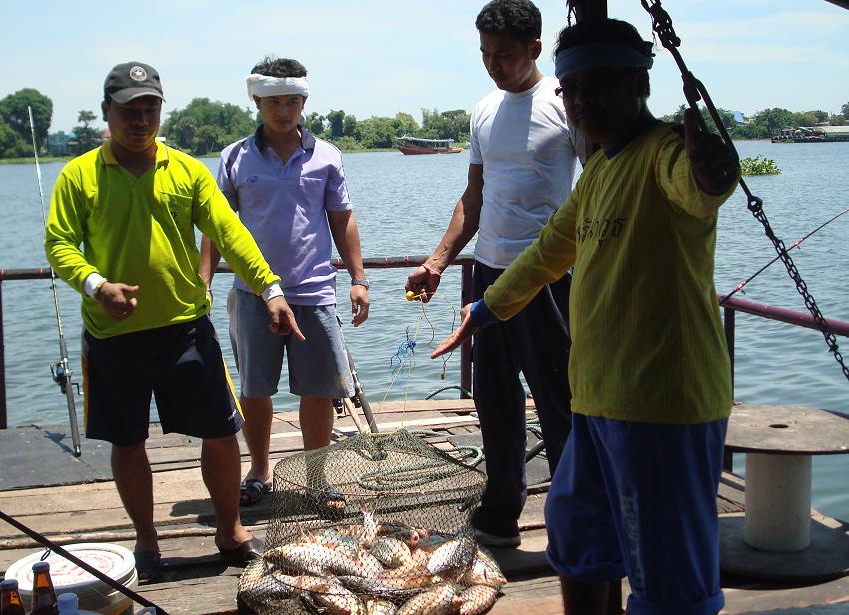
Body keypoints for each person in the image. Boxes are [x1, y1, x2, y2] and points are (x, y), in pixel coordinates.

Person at [432, 18, 740, 615]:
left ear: (638, 85)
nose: (582, 103)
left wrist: (714, 170)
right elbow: (551, 248)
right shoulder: (600, 167)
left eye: (600, 87)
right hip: (598, 400)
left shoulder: (665, 153)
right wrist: (485, 308)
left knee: (669, 582)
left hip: (662, 405)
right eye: (572, 92)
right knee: (577, 538)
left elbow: (700, 186)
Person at [45, 61, 303, 580]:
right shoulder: (79, 175)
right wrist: (96, 285)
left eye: (150, 110)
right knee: (128, 441)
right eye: (129, 111)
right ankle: (147, 539)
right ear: (106, 113)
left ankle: (230, 529)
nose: (141, 121)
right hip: (113, 336)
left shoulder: (186, 170)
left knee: (220, 431)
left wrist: (270, 288)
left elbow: (230, 233)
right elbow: (58, 243)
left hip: (185, 327)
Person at [405, 0, 583, 547]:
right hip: (488, 274)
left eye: (504, 54)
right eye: (485, 54)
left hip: (547, 280)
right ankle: (501, 509)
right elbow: (474, 198)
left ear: (535, 49)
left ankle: (574, 516)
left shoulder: (566, 104)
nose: (493, 64)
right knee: (495, 399)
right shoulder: (484, 110)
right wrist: (438, 260)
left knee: (560, 402)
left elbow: (598, 192)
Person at [199, 56, 369, 510]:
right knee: (255, 389)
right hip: (253, 294)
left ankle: (316, 478)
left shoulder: (327, 155)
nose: (283, 110)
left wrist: (358, 278)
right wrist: (204, 279)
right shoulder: (234, 157)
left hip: (314, 291)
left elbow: (342, 220)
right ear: (256, 100)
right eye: (274, 101)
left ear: (304, 101)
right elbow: (217, 224)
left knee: (319, 389)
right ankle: (259, 469)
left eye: (293, 101)